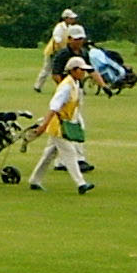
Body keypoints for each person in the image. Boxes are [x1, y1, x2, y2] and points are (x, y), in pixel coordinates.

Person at [29, 56, 97, 193]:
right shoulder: (66, 86)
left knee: (49, 154)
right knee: (70, 152)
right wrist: (44, 126)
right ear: (73, 70)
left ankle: (34, 180)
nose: (84, 73)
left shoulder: (75, 84)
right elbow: (54, 107)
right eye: (81, 70)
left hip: (63, 123)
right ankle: (81, 183)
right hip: (58, 125)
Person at [34, 9, 81, 91]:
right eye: (71, 18)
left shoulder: (70, 27)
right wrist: (62, 51)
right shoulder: (59, 27)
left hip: (62, 52)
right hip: (53, 51)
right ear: (65, 18)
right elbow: (57, 40)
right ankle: (37, 86)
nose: (73, 20)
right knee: (47, 69)